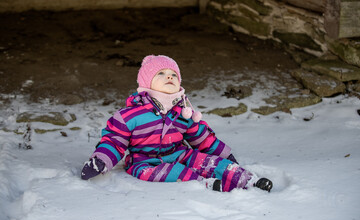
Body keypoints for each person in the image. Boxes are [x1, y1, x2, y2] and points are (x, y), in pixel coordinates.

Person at [81, 55, 273, 192]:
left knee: (210, 162)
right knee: (170, 172)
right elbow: (114, 141)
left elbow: (201, 137)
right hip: (144, 162)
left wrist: (224, 154)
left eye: (173, 74)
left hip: (179, 154)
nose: (169, 77)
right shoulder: (129, 115)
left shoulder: (182, 112)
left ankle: (250, 181)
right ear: (147, 84)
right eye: (161, 74)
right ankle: (204, 183)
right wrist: (101, 161)